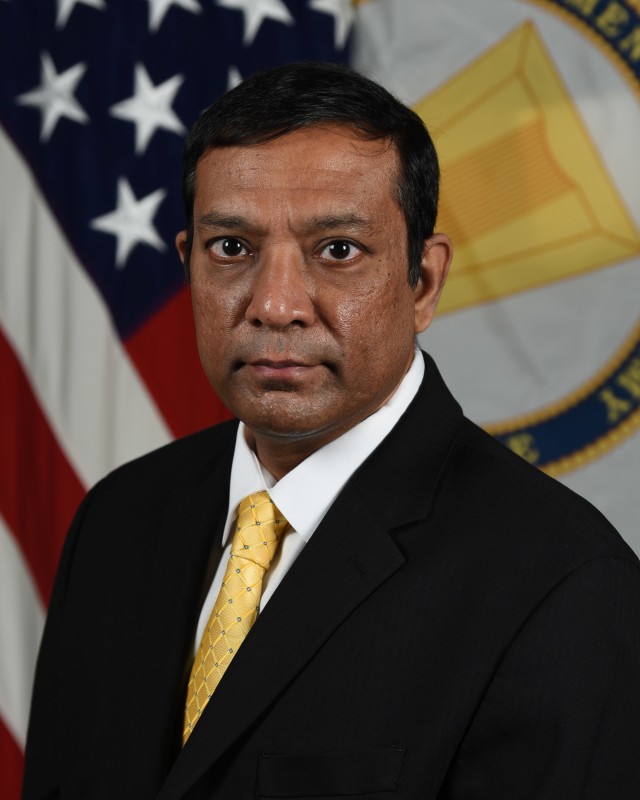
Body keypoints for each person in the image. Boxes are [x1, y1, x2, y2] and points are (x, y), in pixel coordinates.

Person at [22, 62, 640, 800]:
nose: (276, 305)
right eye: (232, 249)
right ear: (188, 267)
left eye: (338, 250)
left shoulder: (563, 585)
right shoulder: (116, 521)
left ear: (423, 283)